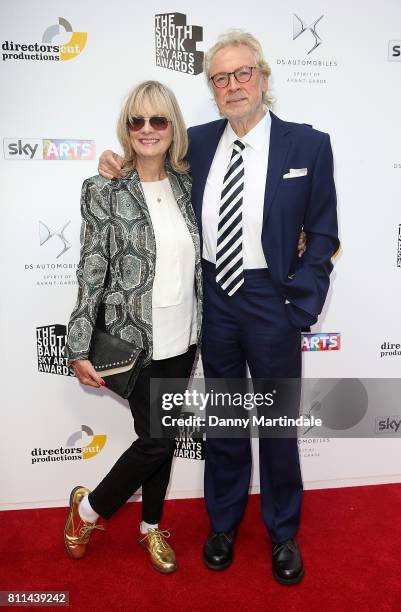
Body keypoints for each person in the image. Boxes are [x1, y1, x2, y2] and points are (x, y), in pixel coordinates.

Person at [99, 30, 338, 585]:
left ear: (263, 76)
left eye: (242, 73)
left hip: (272, 300)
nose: (232, 86)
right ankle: (224, 523)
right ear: (212, 88)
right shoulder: (198, 143)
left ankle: (283, 532)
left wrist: (300, 303)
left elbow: (322, 233)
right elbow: (148, 158)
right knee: (227, 422)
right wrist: (116, 165)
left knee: (277, 424)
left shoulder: (308, 145)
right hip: (216, 300)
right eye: (220, 78)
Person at [63, 80, 203, 574]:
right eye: (136, 121)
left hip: (183, 338)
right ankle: (87, 511)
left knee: (156, 437)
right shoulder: (104, 189)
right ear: (126, 129)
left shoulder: (190, 185)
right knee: (160, 439)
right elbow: (91, 269)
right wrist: (77, 345)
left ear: (173, 127)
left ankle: (150, 527)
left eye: (158, 120)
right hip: (133, 339)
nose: (147, 130)